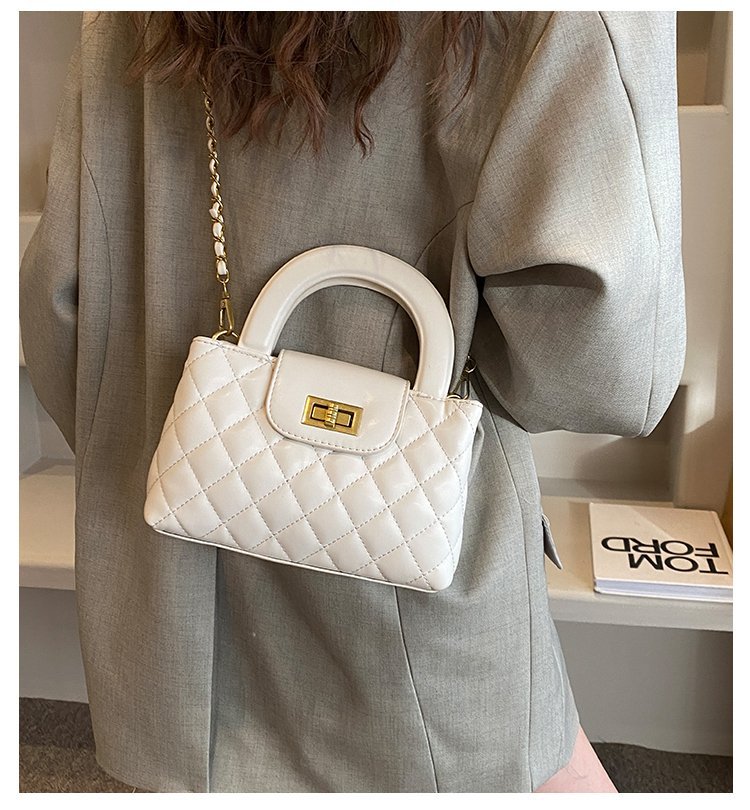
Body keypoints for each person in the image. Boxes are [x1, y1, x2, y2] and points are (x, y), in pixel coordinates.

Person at [19, 11, 685, 793]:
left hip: (167, 611)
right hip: (409, 619)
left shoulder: (124, 21)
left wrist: (218, 441)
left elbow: (63, 313)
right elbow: (607, 374)